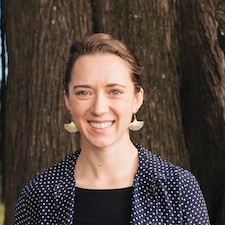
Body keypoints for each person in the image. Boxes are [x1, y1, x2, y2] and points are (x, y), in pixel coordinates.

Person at [13, 33, 210, 224]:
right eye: (84, 92)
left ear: (136, 99)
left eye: (114, 91)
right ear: (68, 101)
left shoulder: (179, 189)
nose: (99, 108)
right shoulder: (38, 196)